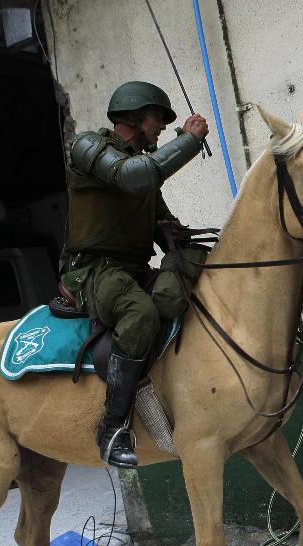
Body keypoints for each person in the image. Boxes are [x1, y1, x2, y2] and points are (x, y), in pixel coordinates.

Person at [60, 81, 209, 469]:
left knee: (183, 291)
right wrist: (188, 141)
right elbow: (133, 176)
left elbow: (161, 220)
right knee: (140, 314)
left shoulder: (144, 174)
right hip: (92, 272)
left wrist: (175, 235)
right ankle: (111, 429)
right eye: (158, 117)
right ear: (133, 114)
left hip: (132, 269)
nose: (161, 127)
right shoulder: (87, 147)